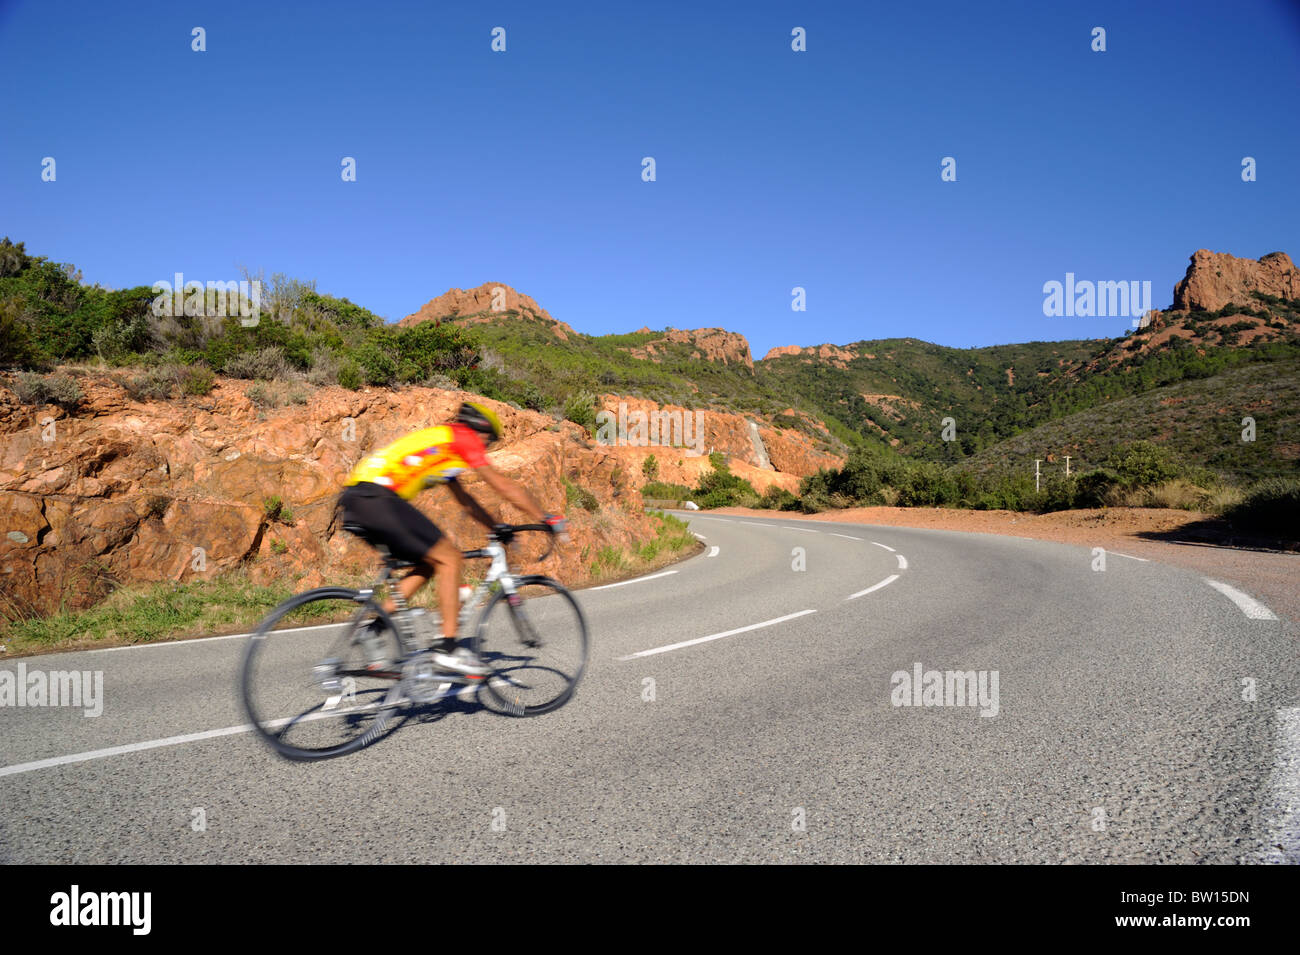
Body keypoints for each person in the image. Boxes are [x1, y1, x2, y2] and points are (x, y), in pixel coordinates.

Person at [338, 401, 568, 677]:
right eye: (489, 441)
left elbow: (466, 502)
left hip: (357, 499)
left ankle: (373, 629)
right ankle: (448, 648)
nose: (486, 448)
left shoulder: (444, 444)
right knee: (451, 557)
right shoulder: (463, 438)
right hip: (378, 497)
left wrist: (496, 527)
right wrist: (546, 517)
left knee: (430, 563)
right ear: (481, 430)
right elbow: (502, 485)